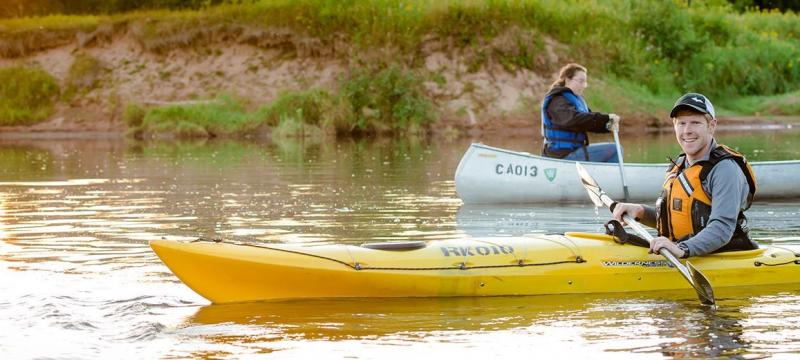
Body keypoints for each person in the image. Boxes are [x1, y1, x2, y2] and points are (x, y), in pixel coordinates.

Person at [611, 92, 758, 258]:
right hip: (683, 252)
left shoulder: (725, 169)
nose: (687, 131)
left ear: (712, 125)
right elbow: (677, 218)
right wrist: (640, 212)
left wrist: (683, 249)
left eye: (695, 122)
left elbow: (722, 227)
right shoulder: (680, 165)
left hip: (725, 257)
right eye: (681, 123)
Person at [540, 63, 621, 162]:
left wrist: (607, 125)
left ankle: (602, 176)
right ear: (568, 80)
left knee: (614, 148)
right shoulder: (557, 100)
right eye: (581, 81)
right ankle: (610, 177)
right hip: (560, 155)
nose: (584, 86)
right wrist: (606, 117)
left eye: (585, 82)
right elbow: (574, 119)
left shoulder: (575, 100)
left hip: (573, 151)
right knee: (615, 149)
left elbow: (589, 121)